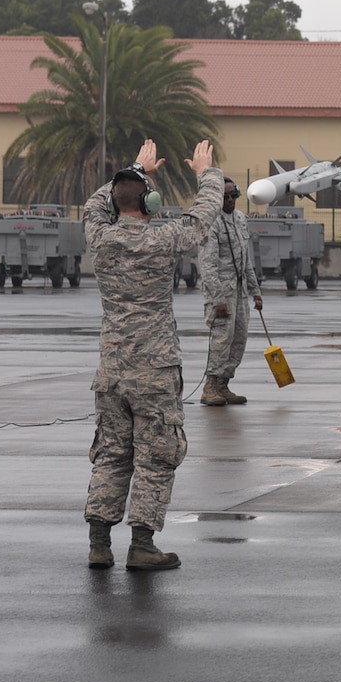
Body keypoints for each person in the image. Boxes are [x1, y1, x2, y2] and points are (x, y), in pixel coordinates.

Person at [81, 139, 224, 571]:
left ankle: (99, 544)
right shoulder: (163, 239)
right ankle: (142, 545)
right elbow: (203, 217)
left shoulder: (100, 238)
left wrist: (133, 169)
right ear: (153, 203)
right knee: (156, 454)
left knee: (111, 453)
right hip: (155, 371)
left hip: (111, 370)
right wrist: (206, 172)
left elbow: (93, 204)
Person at [197, 178, 261, 407]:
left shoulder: (240, 219)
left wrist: (255, 290)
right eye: (224, 197)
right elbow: (208, 265)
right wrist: (217, 299)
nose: (230, 200)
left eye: (233, 195)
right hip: (222, 292)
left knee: (238, 339)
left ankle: (224, 385)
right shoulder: (211, 224)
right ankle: (210, 387)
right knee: (221, 340)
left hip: (240, 291)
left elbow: (246, 259)